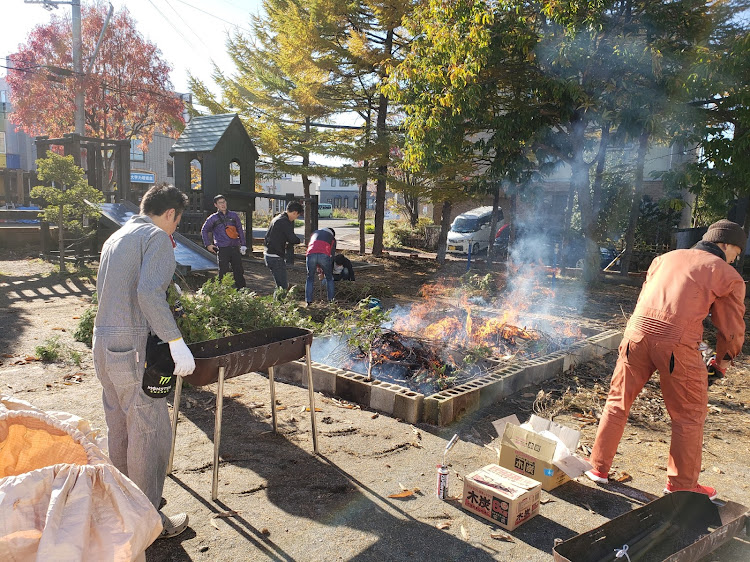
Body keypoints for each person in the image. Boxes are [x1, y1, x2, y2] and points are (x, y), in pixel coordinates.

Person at [585, 219, 746, 500]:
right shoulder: (726, 274)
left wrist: (704, 351)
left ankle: (597, 467)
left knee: (617, 401)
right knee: (689, 415)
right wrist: (723, 360)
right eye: (738, 251)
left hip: (635, 334)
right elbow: (729, 329)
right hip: (676, 345)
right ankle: (682, 486)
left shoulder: (664, 259)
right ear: (726, 245)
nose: (737, 257)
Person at [93, 183, 195, 539]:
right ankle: (149, 521)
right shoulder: (155, 238)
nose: (176, 228)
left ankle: (124, 504)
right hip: (134, 350)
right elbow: (150, 293)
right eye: (177, 221)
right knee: (149, 431)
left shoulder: (116, 237)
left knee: (119, 427)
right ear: (171, 214)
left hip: (104, 347)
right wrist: (176, 341)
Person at [201, 195, 247, 289]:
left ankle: (242, 291)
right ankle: (223, 291)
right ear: (216, 205)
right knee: (223, 271)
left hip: (234, 247)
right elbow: (204, 230)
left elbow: (240, 230)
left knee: (238, 270)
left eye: (224, 202)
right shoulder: (213, 218)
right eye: (220, 203)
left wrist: (243, 244)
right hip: (222, 248)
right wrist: (208, 244)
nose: (223, 204)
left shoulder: (233, 216)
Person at [264, 200, 303, 290]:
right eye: (297, 215)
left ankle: (277, 303)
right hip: (275, 256)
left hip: (269, 253)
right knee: (283, 286)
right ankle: (279, 303)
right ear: (294, 212)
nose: (296, 218)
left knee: (279, 285)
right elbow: (292, 238)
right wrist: (298, 240)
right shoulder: (284, 222)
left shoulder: (277, 218)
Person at [305, 228, 336, 304]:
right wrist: (324, 271)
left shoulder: (314, 233)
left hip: (310, 255)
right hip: (324, 255)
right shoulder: (332, 238)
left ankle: (308, 301)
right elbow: (331, 255)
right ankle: (331, 300)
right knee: (329, 278)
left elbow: (313, 247)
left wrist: (319, 269)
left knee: (310, 278)